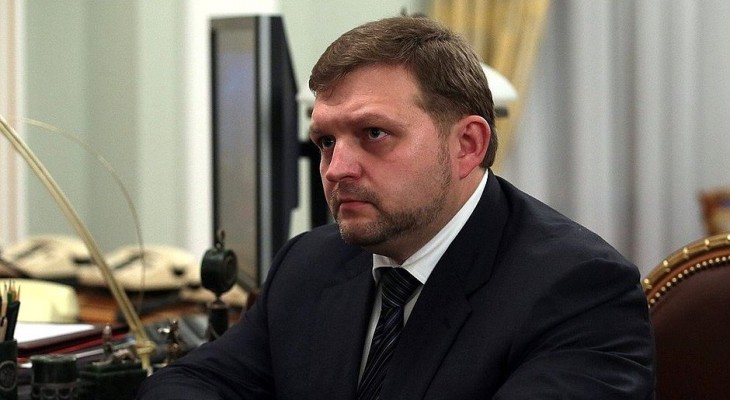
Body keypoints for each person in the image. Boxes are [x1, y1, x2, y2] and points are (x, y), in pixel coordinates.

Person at [137, 16, 655, 399]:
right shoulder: (309, 263)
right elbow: (190, 382)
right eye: (326, 142)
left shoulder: (579, 289)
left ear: (467, 145)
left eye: (373, 134)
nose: (336, 169)